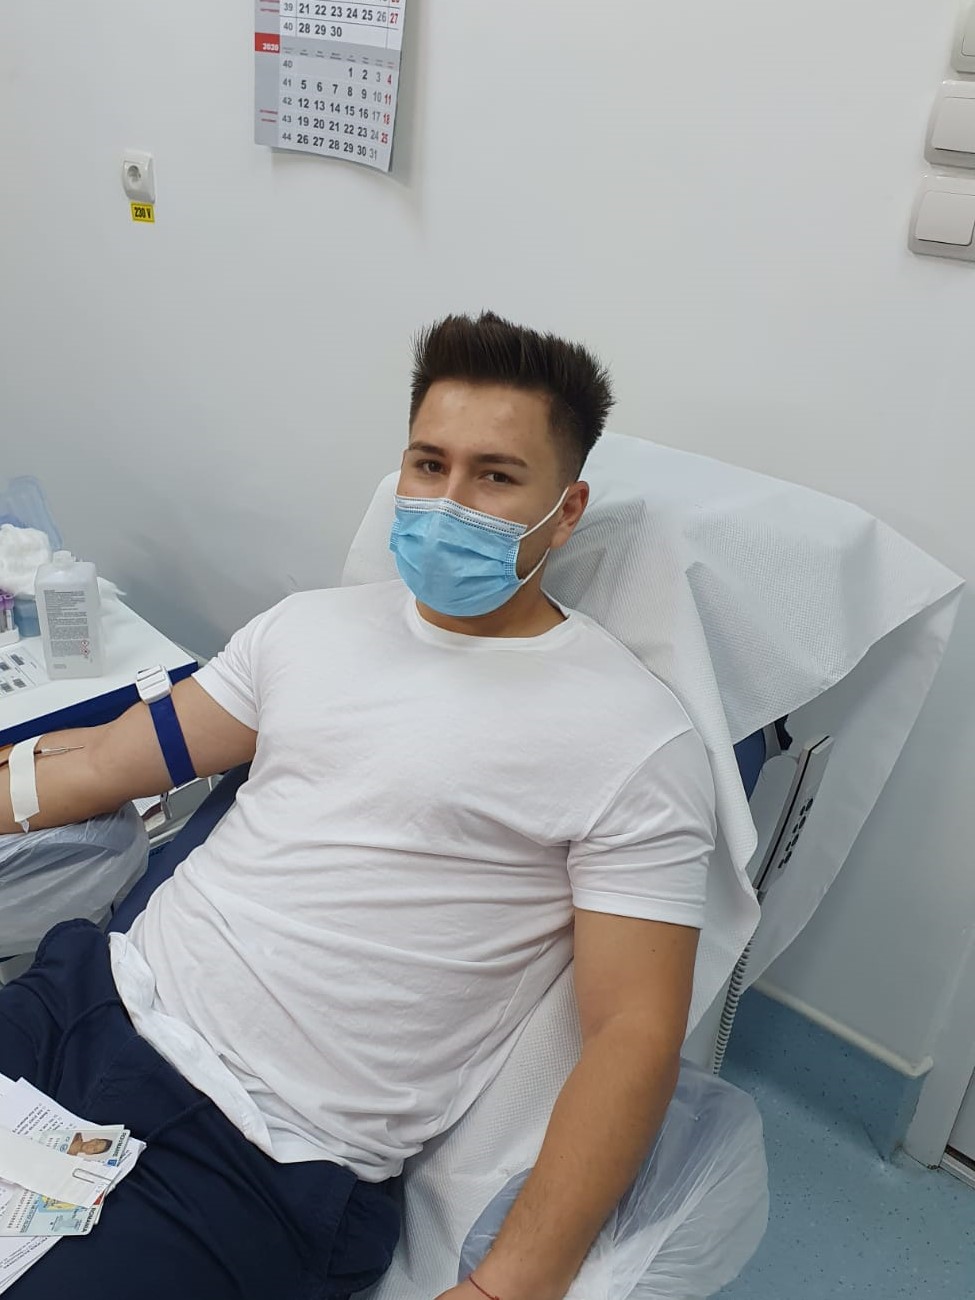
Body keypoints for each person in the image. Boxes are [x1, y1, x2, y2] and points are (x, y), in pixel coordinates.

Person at [0, 312, 716, 1300]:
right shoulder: (307, 631)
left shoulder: (633, 741)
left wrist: (511, 1283)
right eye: (429, 464)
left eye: (495, 476)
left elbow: (634, 1031)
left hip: (260, 1156)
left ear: (566, 509)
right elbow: (99, 765)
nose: (447, 502)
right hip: (85, 1002)